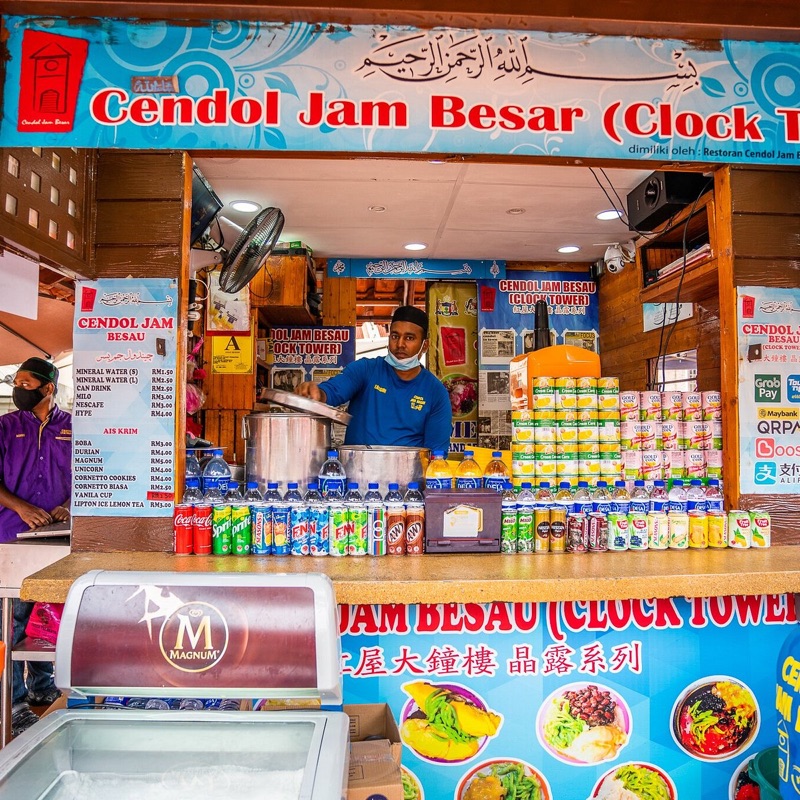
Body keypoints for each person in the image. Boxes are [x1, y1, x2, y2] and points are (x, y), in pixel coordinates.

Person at [0, 357, 72, 737]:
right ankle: (13, 704)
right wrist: (20, 506)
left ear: (47, 388)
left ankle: (44, 686)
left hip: (58, 539)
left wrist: (71, 506)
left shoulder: (73, 428)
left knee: (45, 618)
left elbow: (91, 476)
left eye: (26, 383)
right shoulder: (5, 427)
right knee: (9, 624)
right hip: (10, 536)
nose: (18, 389)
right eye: (17, 382)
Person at [297, 306, 452, 453]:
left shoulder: (436, 392)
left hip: (408, 477)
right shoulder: (365, 369)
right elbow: (332, 391)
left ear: (424, 346)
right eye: (395, 336)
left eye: (409, 338)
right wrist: (317, 393)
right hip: (356, 474)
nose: (400, 344)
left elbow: (436, 454)